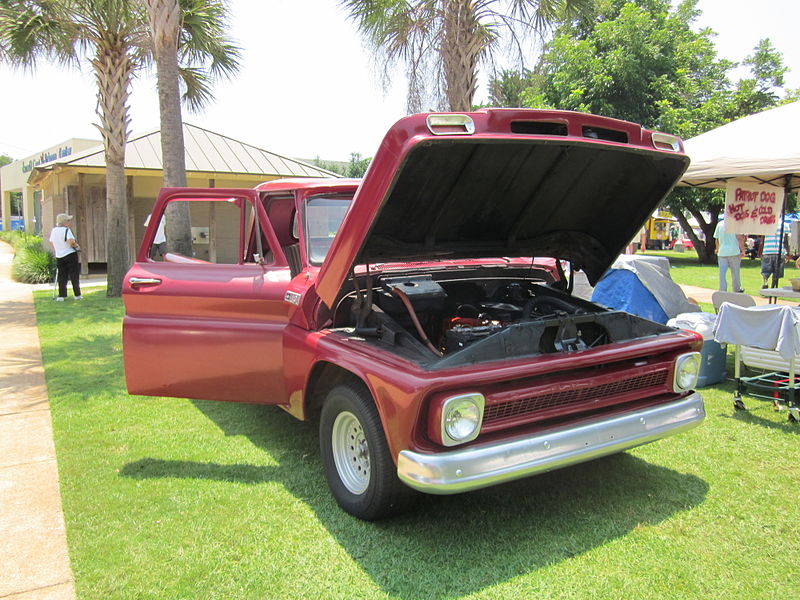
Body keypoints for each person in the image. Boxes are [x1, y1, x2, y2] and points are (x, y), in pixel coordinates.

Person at [49, 213, 82, 301]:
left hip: (59, 255)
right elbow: (70, 242)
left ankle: (62, 295)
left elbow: (52, 242)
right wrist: (77, 246)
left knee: (62, 275)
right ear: (64, 222)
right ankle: (77, 294)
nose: (69, 222)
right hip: (70, 254)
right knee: (74, 275)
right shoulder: (67, 230)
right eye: (68, 220)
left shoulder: (54, 231)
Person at [713, 219, 745, 292]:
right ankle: (736, 290)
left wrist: (717, 249)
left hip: (722, 252)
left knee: (722, 274)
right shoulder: (736, 224)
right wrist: (743, 250)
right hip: (734, 252)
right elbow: (739, 238)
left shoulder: (719, 224)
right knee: (735, 273)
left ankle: (722, 290)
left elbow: (717, 239)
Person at [761, 223, 790, 288]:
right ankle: (773, 286)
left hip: (767, 250)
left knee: (765, 270)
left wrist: (761, 252)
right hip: (779, 251)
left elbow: (762, 240)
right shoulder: (785, 225)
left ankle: (765, 282)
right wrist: (788, 253)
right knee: (777, 272)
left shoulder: (765, 224)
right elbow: (785, 241)